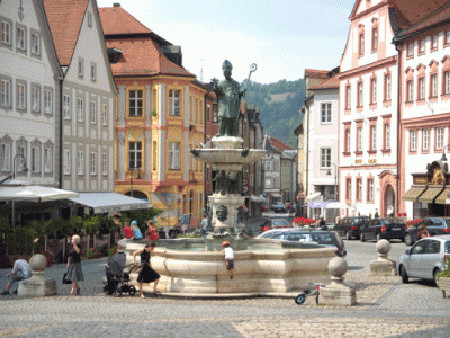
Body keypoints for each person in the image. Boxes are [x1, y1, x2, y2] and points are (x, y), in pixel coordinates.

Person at [214, 60, 245, 137]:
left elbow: (239, 94)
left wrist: (241, 92)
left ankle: (233, 133)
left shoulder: (236, 83)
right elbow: (218, 92)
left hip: (232, 107)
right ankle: (220, 132)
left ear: (231, 71)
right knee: (222, 118)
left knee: (232, 121)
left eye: (227, 70)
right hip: (223, 106)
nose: (226, 72)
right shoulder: (220, 83)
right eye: (224, 70)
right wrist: (216, 87)